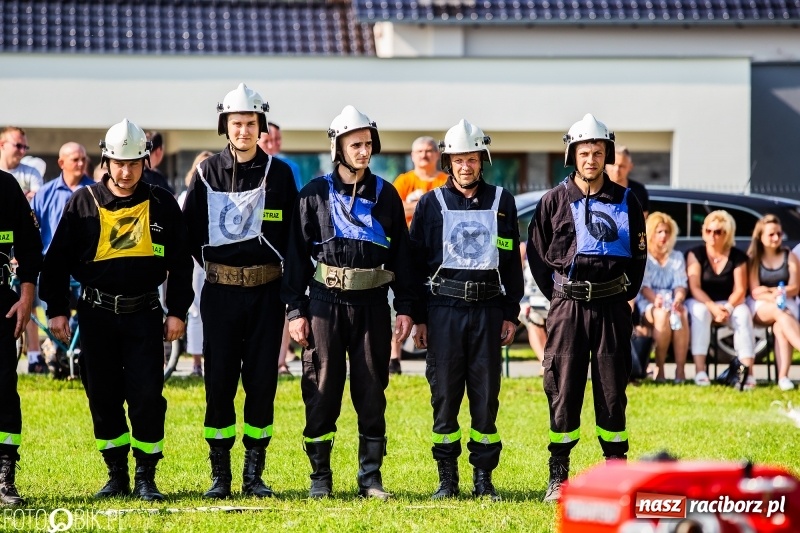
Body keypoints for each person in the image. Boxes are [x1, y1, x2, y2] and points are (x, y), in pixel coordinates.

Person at [39, 119, 193, 501]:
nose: (126, 172)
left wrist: (177, 311)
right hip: (96, 316)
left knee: (146, 398)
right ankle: (116, 474)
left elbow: (182, 262)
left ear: (145, 162)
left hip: (144, 316)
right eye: (118, 164)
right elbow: (55, 262)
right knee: (102, 397)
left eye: (134, 164)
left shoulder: (162, 203)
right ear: (106, 161)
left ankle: (146, 477)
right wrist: (57, 310)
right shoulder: (82, 203)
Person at [281, 105, 415, 500]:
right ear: (338, 147)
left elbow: (402, 256)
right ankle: (320, 477)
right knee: (322, 388)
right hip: (324, 303)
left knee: (372, 390)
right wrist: (294, 311)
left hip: (373, 304)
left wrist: (406, 306)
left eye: (368, 144)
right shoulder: (314, 195)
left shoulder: (386, 194)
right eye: (355, 144)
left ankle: (370, 478)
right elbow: (295, 256)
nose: (364, 151)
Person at [182, 83, 297, 500]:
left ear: (260, 125)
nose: (244, 131)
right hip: (221, 295)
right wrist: (221, 271)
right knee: (220, 382)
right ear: (225, 126)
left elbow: (293, 240)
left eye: (251, 123)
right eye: (236, 123)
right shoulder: (207, 173)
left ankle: (254, 472)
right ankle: (221, 474)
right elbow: (190, 232)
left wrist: (290, 297)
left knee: (262, 382)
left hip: (267, 295)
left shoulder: (281, 175)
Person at [527, 113, 646, 502]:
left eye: (597, 152)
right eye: (584, 153)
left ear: (606, 155)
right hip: (567, 309)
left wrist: (621, 295)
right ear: (572, 155)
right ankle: (559, 477)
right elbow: (539, 259)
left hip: (612, 307)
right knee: (562, 387)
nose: (591, 159)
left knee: (612, 392)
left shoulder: (627, 200)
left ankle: (616, 475)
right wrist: (561, 295)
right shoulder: (552, 201)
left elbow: (639, 259)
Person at [410, 119, 523, 502]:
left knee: (485, 397)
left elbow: (510, 261)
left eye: (472, 159)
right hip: (443, 309)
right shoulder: (430, 203)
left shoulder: (502, 200)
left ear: (482, 160)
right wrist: (418, 316)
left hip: (489, 310)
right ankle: (447, 478)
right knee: (444, 396)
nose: (465, 166)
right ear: (449, 161)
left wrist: (511, 311)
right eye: (458, 159)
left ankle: (483, 479)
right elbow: (415, 263)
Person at [26, 143, 94, 375]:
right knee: (54, 313)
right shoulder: (45, 194)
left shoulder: (95, 192)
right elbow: (31, 230)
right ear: (61, 163)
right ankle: (59, 353)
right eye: (75, 159)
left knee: (85, 312)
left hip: (86, 267)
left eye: (83, 159)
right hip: (52, 268)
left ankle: (68, 353)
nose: (81, 163)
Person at [0, 170, 43, 507]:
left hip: (0, 307)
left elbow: (30, 244)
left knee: (2, 391)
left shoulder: (5, 186)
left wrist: (26, 296)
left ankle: (4, 477)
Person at [388, 136, 449, 375]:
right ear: (412, 156)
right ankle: (395, 357)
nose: (424, 155)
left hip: (438, 252)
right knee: (400, 304)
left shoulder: (445, 180)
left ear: (437, 155)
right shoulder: (404, 181)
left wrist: (413, 206)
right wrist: (425, 204)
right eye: (419, 151)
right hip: (406, 250)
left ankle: (435, 353)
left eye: (429, 151)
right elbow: (394, 210)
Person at [685, 210, 755, 389]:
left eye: (718, 232)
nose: (712, 236)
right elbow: (695, 287)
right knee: (700, 312)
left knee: (743, 314)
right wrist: (712, 308)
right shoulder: (696, 254)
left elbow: (741, 289)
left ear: (728, 234)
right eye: (708, 231)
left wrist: (728, 308)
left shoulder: (738, 257)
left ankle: (747, 373)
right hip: (702, 301)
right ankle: (700, 371)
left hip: (729, 302)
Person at [257, 122, 302, 377]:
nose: (273, 145)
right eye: (268, 140)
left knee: (285, 310)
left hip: (280, 253)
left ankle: (281, 360)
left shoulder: (288, 168)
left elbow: (294, 210)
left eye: (278, 140)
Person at [747, 214, 798, 391]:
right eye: (771, 234)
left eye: (778, 233)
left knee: (780, 327)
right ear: (760, 236)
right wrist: (773, 294)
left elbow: (795, 287)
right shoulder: (754, 259)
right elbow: (755, 290)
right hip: (761, 305)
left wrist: (775, 291)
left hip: (785, 302)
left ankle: (783, 377)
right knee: (780, 312)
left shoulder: (789, 256)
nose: (776, 238)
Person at [637, 212, 690, 383]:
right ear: (651, 233)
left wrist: (679, 299)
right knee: (662, 315)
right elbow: (643, 286)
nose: (663, 236)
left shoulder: (677, 257)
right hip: (648, 302)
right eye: (659, 231)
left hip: (671, 300)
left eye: (667, 232)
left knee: (681, 314)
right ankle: (660, 368)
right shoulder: (644, 256)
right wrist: (656, 300)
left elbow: (681, 284)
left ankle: (680, 371)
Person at [177, 150, 213, 378]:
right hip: (194, 261)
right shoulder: (185, 196)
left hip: (215, 258)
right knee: (196, 310)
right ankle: (196, 361)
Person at [605, 145, 649, 218]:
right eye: (613, 165)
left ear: (630, 167)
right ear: (605, 165)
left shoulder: (639, 191)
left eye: (621, 166)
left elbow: (643, 219)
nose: (617, 170)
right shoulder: (596, 189)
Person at [0, 127, 43, 201]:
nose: (23, 151)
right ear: (2, 144)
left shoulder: (32, 173)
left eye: (25, 147)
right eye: (18, 146)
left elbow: (38, 200)